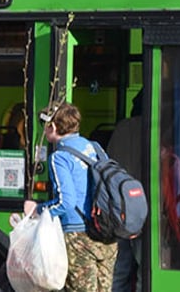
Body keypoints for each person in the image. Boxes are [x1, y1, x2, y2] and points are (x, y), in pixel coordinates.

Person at [24, 102, 117, 292]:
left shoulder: (60, 157)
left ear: (54, 127)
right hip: (106, 233)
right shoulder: (95, 147)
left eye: (45, 126)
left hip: (79, 235)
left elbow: (66, 202)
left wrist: (38, 209)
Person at [107, 94, 144, 292]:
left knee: (119, 268)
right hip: (142, 207)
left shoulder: (121, 129)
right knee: (143, 268)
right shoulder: (155, 128)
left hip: (119, 206)